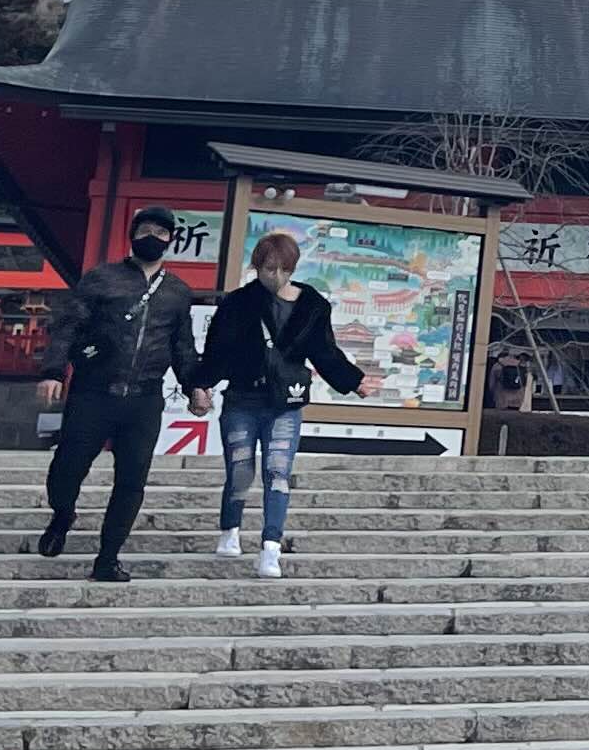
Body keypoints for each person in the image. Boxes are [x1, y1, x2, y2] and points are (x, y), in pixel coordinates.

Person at [34, 210, 210, 583]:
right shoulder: (102, 278)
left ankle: (108, 557)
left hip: (144, 398)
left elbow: (183, 346)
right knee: (67, 468)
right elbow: (69, 325)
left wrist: (195, 385)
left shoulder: (177, 292)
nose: (152, 236)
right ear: (132, 235)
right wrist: (53, 371)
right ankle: (63, 514)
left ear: (171, 239)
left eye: (161, 231)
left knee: (132, 480)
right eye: (145, 230)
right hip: (93, 392)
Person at [202, 230, 362, 580]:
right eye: (269, 269)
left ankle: (270, 547)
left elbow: (324, 351)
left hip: (284, 403)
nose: (276, 276)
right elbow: (217, 350)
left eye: (283, 269)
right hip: (242, 399)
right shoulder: (238, 303)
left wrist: (353, 380)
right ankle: (230, 528)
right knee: (241, 469)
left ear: (293, 269)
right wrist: (201, 385)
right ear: (257, 267)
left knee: (278, 472)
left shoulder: (312, 306)